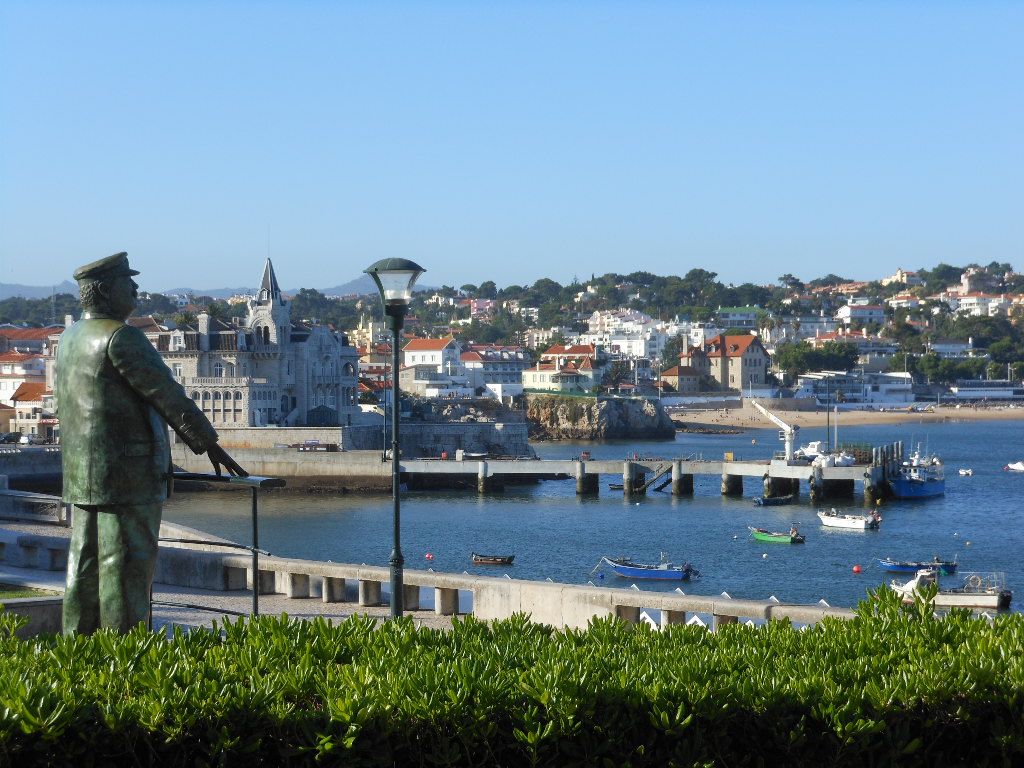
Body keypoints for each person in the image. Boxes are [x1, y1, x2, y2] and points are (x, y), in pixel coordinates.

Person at [55, 252, 247, 634]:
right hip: (128, 473)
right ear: (108, 290)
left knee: (84, 562)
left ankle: (77, 649)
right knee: (127, 564)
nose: (138, 289)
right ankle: (124, 657)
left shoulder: (69, 337)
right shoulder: (120, 336)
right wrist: (208, 443)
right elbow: (168, 394)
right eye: (130, 281)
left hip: (82, 473)